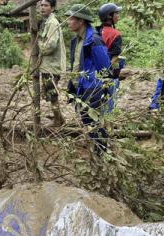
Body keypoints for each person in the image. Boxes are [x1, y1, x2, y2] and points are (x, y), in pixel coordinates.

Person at [65, 4, 111, 154]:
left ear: (81, 21)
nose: (68, 21)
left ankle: (102, 155)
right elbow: (76, 66)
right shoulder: (77, 41)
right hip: (81, 87)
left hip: (93, 88)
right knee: (87, 123)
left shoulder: (94, 40)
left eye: (71, 18)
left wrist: (100, 89)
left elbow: (105, 68)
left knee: (95, 125)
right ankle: (98, 154)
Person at [38, 0, 66, 126]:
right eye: (41, 5)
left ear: (52, 8)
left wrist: (38, 45)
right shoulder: (47, 22)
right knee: (49, 93)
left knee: (52, 94)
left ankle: (57, 121)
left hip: (51, 66)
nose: (42, 8)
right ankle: (60, 119)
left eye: (46, 5)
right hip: (47, 66)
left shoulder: (52, 23)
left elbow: (51, 45)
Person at [97, 3, 124, 113]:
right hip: (109, 76)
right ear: (109, 16)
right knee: (108, 107)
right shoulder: (115, 34)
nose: (118, 15)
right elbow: (114, 59)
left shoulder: (96, 31)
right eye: (116, 13)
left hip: (96, 75)